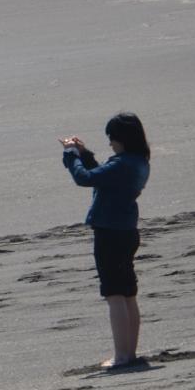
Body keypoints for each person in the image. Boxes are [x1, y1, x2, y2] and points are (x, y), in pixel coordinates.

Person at [59, 113, 152, 370]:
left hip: (110, 232)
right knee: (127, 293)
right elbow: (101, 174)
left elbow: (85, 178)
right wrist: (84, 153)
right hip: (126, 231)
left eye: (112, 138)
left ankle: (122, 356)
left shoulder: (123, 163)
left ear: (121, 139)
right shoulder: (138, 161)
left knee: (115, 294)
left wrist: (71, 154)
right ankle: (128, 352)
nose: (110, 143)